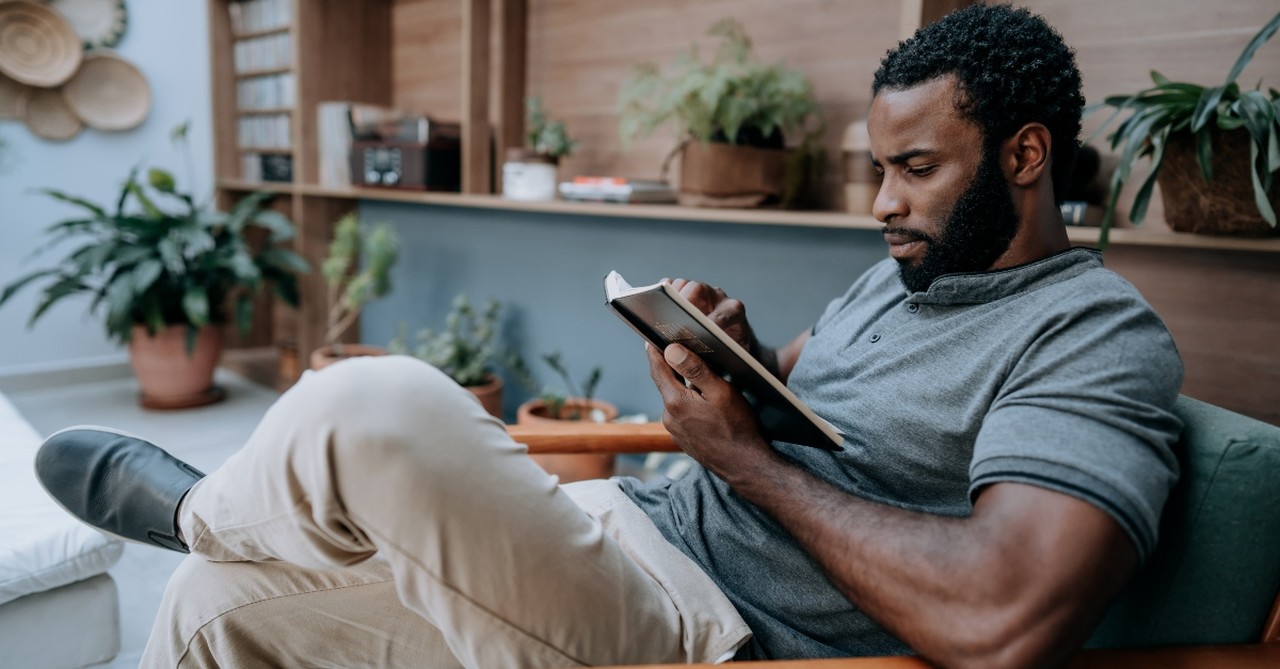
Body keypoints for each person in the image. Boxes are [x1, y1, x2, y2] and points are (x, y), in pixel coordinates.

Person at [35, 5, 1183, 668]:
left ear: (1024, 157)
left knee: (376, 403)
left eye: (914, 170)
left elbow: (1002, 612)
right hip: (630, 526)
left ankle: (198, 509)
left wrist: (743, 463)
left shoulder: (1089, 336)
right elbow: (838, 420)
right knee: (208, 612)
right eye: (878, 169)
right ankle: (222, 531)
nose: (881, 202)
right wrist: (739, 358)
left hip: (701, 624)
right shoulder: (908, 271)